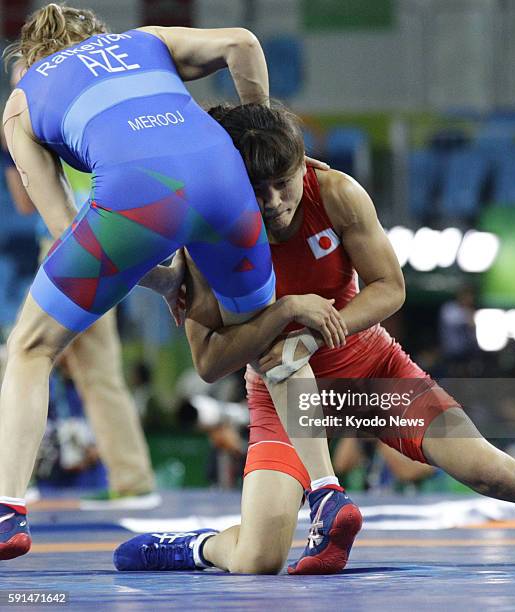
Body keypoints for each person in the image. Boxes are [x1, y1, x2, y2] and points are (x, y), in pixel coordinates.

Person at [114, 103, 515, 576]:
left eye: (283, 183)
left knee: (496, 473)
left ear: (302, 166)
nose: (274, 202)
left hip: (372, 376)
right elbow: (210, 363)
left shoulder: (336, 193)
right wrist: (287, 311)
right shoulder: (209, 236)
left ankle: (325, 496)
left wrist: (314, 335)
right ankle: (199, 546)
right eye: (257, 192)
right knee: (257, 559)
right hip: (282, 402)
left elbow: (390, 287)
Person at [1, 4, 348, 560]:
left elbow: (67, 231)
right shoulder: (144, 41)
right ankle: (328, 492)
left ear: (31, 58)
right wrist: (256, 140)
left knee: (31, 347)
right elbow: (243, 43)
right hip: (226, 178)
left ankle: (7, 510)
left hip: (133, 204)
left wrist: (161, 281)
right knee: (273, 344)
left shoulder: (20, 101)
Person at [1, 59, 159, 510]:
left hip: (65, 245)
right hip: (109, 238)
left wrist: (15, 151)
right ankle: (133, 481)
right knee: (97, 373)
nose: (18, 83)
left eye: (21, 75)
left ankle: (12, 486)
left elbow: (25, 203)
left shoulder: (29, 119)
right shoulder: (96, 106)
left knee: (22, 357)